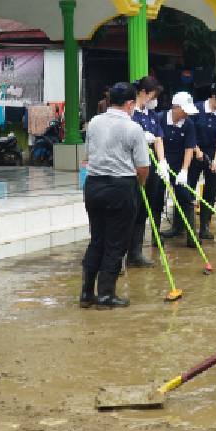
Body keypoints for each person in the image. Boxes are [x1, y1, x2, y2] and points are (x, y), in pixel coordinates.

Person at [80, 82, 151, 308]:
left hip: (93, 186)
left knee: (97, 240)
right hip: (120, 187)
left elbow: (87, 156)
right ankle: (105, 295)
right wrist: (139, 185)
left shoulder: (94, 122)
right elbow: (143, 167)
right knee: (115, 243)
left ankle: (86, 294)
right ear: (130, 104)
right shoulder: (133, 128)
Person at [127, 77, 171, 268]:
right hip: (133, 167)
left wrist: (162, 162)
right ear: (143, 93)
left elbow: (159, 138)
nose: (155, 100)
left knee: (144, 209)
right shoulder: (130, 113)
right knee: (132, 208)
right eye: (153, 96)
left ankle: (135, 253)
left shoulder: (152, 114)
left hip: (150, 166)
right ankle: (122, 254)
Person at [188, 83, 216, 241]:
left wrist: (215, 159)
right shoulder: (196, 109)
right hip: (194, 153)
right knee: (188, 188)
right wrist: (197, 150)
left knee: (211, 190)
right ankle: (185, 226)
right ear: (213, 97)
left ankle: (205, 226)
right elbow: (190, 133)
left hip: (213, 154)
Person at [160, 92, 200, 245]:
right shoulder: (160, 119)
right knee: (157, 198)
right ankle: (157, 236)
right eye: (185, 111)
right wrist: (161, 163)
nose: (187, 114)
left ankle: (191, 236)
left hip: (179, 164)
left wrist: (184, 170)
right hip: (161, 165)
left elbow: (189, 148)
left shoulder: (188, 124)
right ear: (176, 108)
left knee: (185, 196)